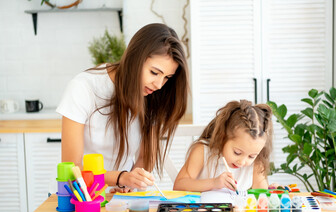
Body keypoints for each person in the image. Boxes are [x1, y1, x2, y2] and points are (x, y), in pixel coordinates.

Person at [57, 23, 189, 193]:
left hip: (120, 199)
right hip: (80, 198)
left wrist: (131, 181)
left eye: (167, 78)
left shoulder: (152, 95)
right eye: (154, 73)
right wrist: (120, 178)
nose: (159, 85)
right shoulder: (83, 88)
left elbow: (145, 157)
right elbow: (72, 169)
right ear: (135, 58)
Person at [173, 100, 275, 192]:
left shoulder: (257, 162)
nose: (242, 161)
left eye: (251, 156)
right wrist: (214, 183)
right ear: (223, 137)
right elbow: (179, 185)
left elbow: (262, 195)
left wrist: (273, 192)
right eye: (237, 152)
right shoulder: (202, 151)